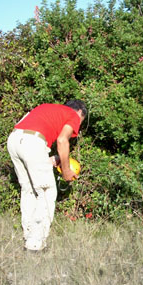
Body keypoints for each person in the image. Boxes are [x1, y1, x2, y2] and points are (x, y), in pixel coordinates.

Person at [7, 99, 87, 251]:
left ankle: (28, 235)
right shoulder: (74, 115)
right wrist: (66, 171)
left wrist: (52, 159)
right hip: (33, 142)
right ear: (79, 112)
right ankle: (36, 243)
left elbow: (28, 139)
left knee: (28, 189)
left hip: (14, 140)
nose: (77, 127)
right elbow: (62, 140)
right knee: (46, 192)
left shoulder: (45, 107)